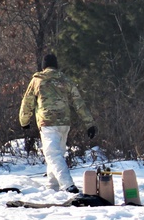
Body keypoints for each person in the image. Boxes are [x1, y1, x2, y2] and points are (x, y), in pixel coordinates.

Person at [19, 53, 97, 193]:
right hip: (64, 124)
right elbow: (78, 102)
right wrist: (89, 123)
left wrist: (24, 121)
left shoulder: (37, 80)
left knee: (52, 155)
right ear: (56, 65)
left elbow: (27, 102)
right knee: (56, 155)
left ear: (43, 67)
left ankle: (68, 185)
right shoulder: (65, 80)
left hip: (47, 122)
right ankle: (52, 188)